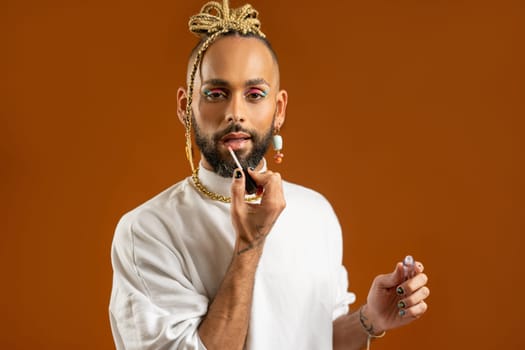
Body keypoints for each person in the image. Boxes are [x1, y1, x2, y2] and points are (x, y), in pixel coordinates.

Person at [109, 1, 430, 349]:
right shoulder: (148, 231)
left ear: (278, 110)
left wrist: (369, 319)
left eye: (254, 95)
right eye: (216, 94)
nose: (235, 112)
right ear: (186, 108)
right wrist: (249, 246)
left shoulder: (316, 212)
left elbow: (317, 339)